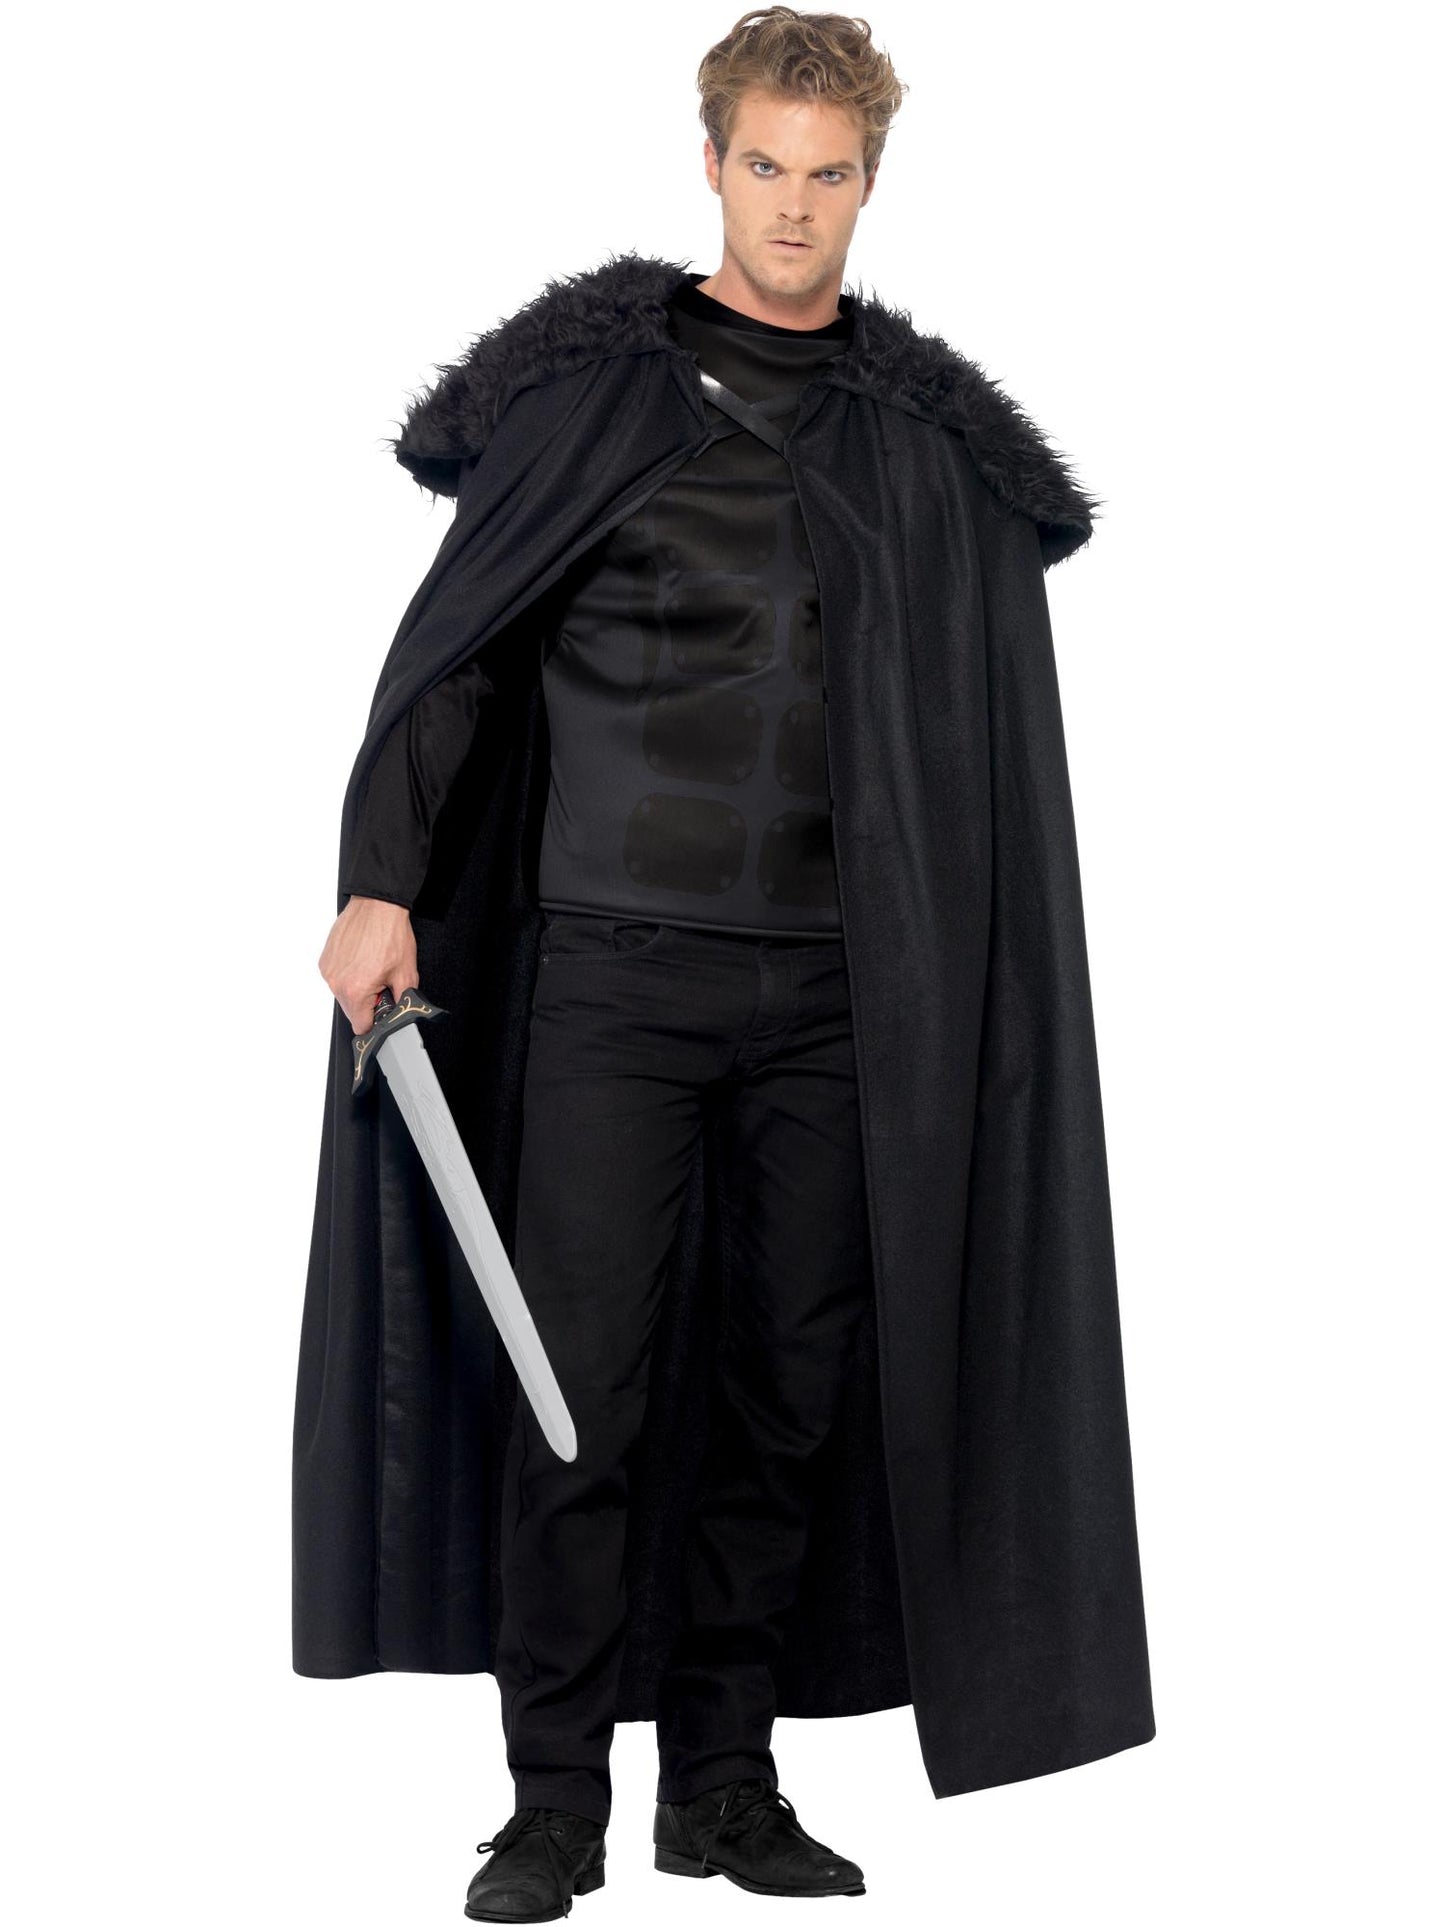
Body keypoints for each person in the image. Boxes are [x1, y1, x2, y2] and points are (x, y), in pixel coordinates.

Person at [302, 9, 1154, 1921]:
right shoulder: (584, 402)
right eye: (762, 166)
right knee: (575, 1396)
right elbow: (462, 663)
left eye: (826, 175)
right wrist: (379, 883)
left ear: (870, 184)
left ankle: (721, 1784)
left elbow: (968, 758)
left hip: (843, 1001)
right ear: (709, 164)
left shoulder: (920, 451)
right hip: (608, 977)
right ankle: (552, 1804)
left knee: (787, 1395)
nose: (791, 207)